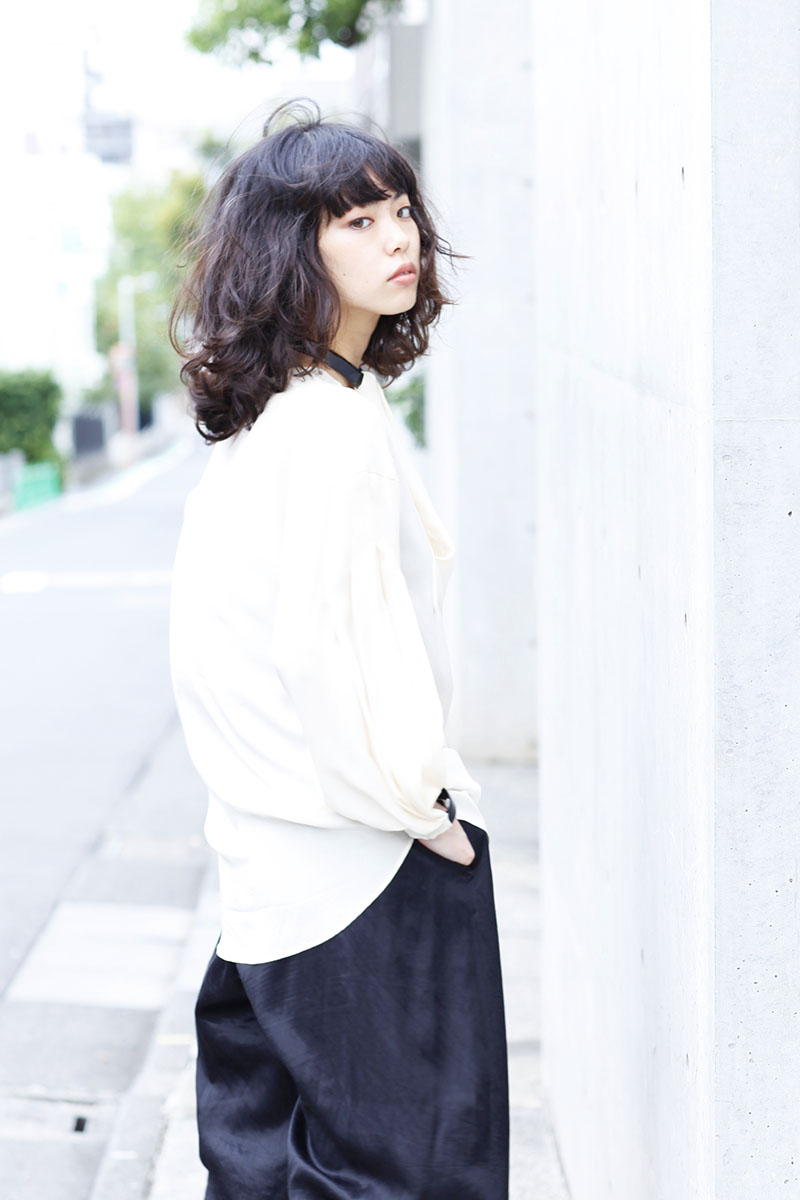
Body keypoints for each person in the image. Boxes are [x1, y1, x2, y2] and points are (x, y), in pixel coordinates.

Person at [168, 98, 510, 1199]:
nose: (399, 237)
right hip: (356, 860)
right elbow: (327, 652)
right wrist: (422, 813)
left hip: (278, 864)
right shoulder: (324, 427)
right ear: (288, 250)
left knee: (265, 1164)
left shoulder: (291, 412)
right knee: (407, 1171)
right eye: (356, 221)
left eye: (400, 209)